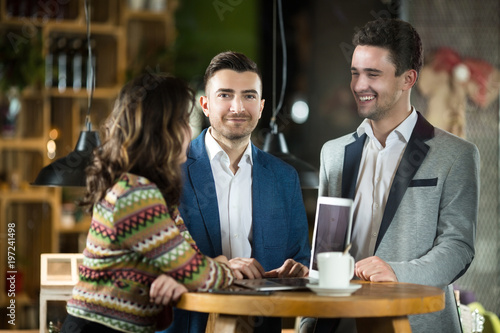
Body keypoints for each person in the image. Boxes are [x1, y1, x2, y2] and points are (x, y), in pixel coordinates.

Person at [309, 18, 480, 333]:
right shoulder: (333, 153)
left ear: (408, 79)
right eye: (355, 73)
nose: (360, 85)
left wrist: (397, 272)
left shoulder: (456, 155)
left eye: (373, 74)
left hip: (415, 323)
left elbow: (458, 247)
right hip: (340, 325)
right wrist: (310, 324)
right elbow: (326, 249)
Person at [61, 73, 235, 333]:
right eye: (183, 122)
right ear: (160, 131)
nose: (190, 132)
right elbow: (198, 273)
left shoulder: (151, 193)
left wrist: (192, 271)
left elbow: (189, 262)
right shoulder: (135, 195)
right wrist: (230, 269)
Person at [161, 51, 311, 333]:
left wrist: (301, 271)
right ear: (205, 104)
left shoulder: (284, 178)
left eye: (249, 96)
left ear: (262, 105)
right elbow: (155, 263)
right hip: (187, 325)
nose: (238, 107)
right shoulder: (169, 172)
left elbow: (301, 258)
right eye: (225, 95)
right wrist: (220, 267)